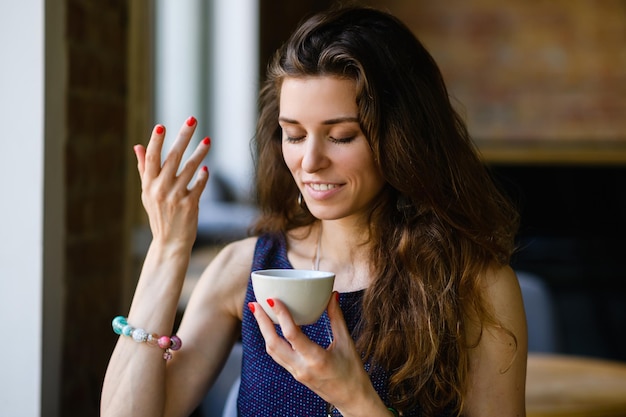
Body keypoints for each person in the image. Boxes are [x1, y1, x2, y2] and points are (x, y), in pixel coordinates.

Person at [102, 5, 527, 417]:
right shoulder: (244, 269)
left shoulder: (476, 286)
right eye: (293, 134)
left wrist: (356, 400)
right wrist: (168, 249)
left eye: (341, 136)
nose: (309, 161)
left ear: (404, 140)